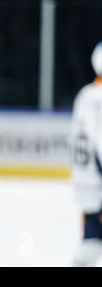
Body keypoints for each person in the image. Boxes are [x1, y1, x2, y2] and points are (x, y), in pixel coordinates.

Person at [70, 42, 102, 266]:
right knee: (92, 244)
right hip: (98, 185)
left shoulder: (84, 94)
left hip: (84, 182)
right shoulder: (99, 99)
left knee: (91, 239)